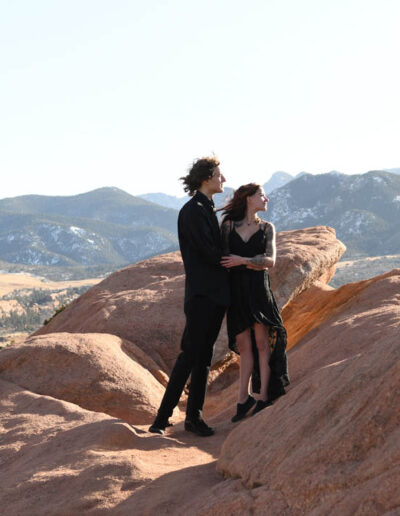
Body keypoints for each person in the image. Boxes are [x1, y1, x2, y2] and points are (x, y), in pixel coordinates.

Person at [149, 157, 229, 437]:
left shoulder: (206, 209)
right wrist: (239, 258)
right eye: (220, 175)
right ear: (206, 178)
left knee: (204, 357)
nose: (224, 180)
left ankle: (194, 418)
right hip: (202, 295)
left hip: (213, 295)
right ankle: (161, 419)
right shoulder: (194, 211)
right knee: (190, 356)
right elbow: (209, 252)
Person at [220, 183, 289, 421]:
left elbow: (270, 261)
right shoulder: (228, 225)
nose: (266, 198)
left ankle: (262, 397)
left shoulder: (268, 228)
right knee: (244, 348)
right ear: (248, 198)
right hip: (237, 292)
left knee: (262, 345)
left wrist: (242, 261)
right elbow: (224, 258)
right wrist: (247, 261)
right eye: (261, 195)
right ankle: (242, 399)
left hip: (259, 291)